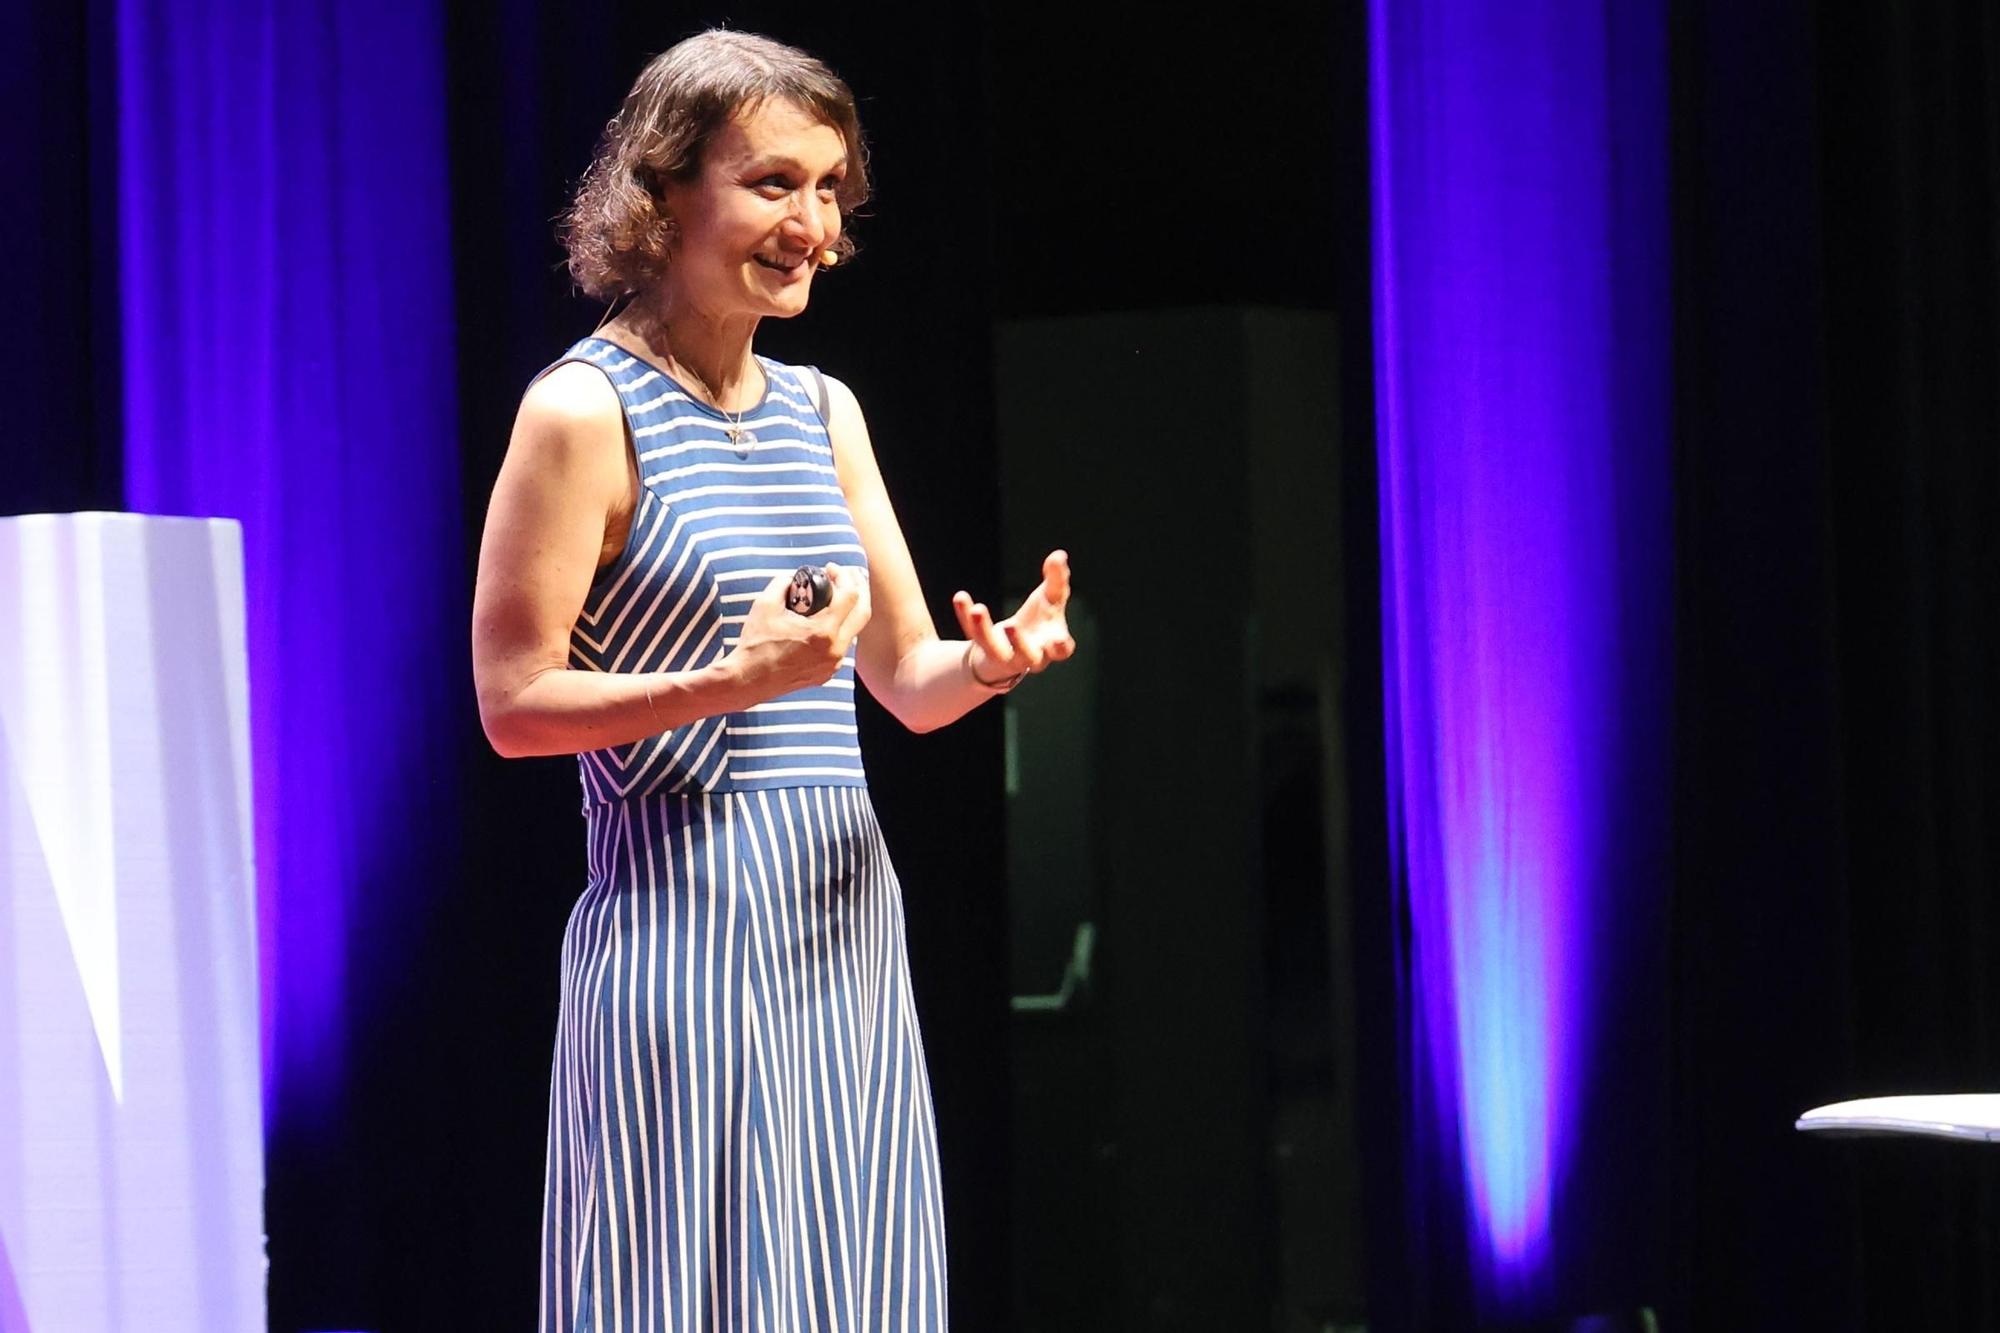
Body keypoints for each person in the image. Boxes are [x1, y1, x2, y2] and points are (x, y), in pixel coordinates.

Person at [470, 29, 1075, 1333]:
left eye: (827, 189)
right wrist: (730, 678)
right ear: (663, 191)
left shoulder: (824, 411)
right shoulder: (586, 410)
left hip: (842, 945)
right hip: (684, 959)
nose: (810, 222)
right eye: (771, 184)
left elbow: (905, 679)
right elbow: (513, 703)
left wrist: (992, 660)